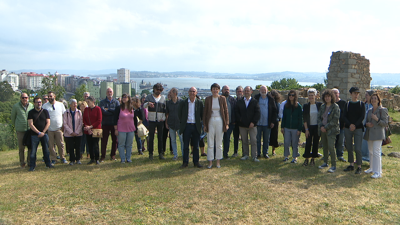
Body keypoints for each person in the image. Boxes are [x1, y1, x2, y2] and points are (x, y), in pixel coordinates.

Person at [203, 83, 229, 169]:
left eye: (216, 89)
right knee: (210, 142)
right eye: (213, 89)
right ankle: (210, 161)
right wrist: (205, 124)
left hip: (220, 121)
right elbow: (205, 112)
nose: (215, 90)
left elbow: (226, 111)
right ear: (211, 90)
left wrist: (227, 123)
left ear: (219, 90)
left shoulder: (222, 98)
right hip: (210, 121)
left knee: (219, 142)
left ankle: (218, 161)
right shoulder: (207, 99)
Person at [363, 93, 388, 178]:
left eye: (375, 98)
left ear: (378, 100)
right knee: (370, 151)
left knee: (376, 152)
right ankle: (372, 168)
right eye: (372, 98)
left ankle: (378, 172)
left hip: (378, 134)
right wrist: (367, 124)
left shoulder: (383, 110)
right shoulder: (369, 110)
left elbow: (385, 123)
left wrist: (377, 119)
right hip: (370, 134)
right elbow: (366, 122)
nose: (373, 100)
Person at [178, 87, 204, 168]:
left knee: (196, 146)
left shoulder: (199, 102)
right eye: (191, 91)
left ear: (196, 93)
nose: (192, 93)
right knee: (185, 146)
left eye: (194, 91)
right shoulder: (184, 102)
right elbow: (179, 113)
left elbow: (202, 114)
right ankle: (185, 162)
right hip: (187, 126)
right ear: (188, 92)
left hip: (196, 126)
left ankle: (196, 162)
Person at [343, 87, 365, 174]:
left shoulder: (361, 104)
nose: (356, 95)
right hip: (348, 128)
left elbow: (362, 116)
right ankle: (351, 164)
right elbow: (344, 116)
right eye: (354, 93)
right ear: (351, 94)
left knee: (358, 148)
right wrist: (350, 125)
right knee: (349, 147)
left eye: (357, 93)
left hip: (358, 128)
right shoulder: (347, 104)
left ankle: (359, 166)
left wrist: (355, 125)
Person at [317, 89, 340, 172]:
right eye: (325, 97)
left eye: (328, 96)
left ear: (332, 97)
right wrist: (321, 127)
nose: (327, 98)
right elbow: (319, 117)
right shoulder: (322, 106)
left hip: (331, 130)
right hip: (323, 130)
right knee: (325, 146)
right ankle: (325, 162)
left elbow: (335, 120)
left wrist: (326, 127)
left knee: (331, 147)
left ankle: (333, 165)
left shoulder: (335, 107)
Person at [236, 86, 261, 162]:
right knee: (244, 141)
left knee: (253, 141)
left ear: (251, 92)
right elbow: (237, 112)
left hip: (252, 126)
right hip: (242, 125)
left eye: (248, 90)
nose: (246, 92)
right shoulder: (239, 102)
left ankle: (254, 156)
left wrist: (253, 122)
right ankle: (245, 155)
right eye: (245, 90)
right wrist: (240, 120)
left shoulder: (254, 101)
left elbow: (258, 113)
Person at [27, 97, 53, 171]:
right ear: (34, 103)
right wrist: (38, 132)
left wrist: (43, 132)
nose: (39, 103)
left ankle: (48, 164)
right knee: (33, 151)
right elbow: (31, 124)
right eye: (37, 102)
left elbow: (48, 122)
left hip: (44, 134)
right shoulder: (31, 112)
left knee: (46, 150)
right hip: (34, 135)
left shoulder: (45, 111)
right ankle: (32, 166)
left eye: (40, 102)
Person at [43, 91, 67, 164]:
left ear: (54, 96)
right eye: (48, 96)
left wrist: (64, 125)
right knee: (51, 145)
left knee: (61, 144)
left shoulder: (60, 105)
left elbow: (64, 115)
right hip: (49, 129)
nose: (50, 97)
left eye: (51, 96)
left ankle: (62, 157)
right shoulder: (45, 106)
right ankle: (53, 158)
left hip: (59, 128)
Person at [143, 83, 167, 160]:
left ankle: (160, 153)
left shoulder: (163, 98)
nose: (158, 91)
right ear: (154, 89)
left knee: (160, 137)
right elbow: (144, 106)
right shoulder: (149, 97)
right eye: (157, 90)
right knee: (151, 137)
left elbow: (164, 110)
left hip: (160, 120)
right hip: (152, 120)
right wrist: (148, 104)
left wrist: (163, 118)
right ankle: (151, 153)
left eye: (160, 90)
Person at [11, 93, 34, 168]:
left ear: (28, 98)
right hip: (20, 130)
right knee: (21, 148)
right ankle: (22, 162)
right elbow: (13, 118)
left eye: (26, 97)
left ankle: (29, 162)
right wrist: (16, 126)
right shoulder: (16, 106)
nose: (25, 99)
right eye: (23, 97)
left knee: (30, 147)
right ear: (20, 98)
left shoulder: (31, 105)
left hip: (29, 130)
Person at [254, 85, 277, 159]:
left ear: (267, 91)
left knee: (266, 139)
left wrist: (273, 122)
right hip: (257, 123)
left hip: (267, 123)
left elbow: (274, 111)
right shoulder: (256, 98)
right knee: (257, 139)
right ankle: (258, 153)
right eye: (262, 90)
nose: (263, 91)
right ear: (259, 91)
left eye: (265, 90)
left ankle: (265, 153)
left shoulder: (271, 99)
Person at [281, 90, 303, 163]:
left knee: (295, 143)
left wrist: (299, 129)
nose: (291, 96)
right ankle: (286, 156)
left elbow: (301, 118)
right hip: (287, 127)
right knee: (286, 142)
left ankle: (295, 157)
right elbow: (284, 117)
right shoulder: (286, 105)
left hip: (295, 128)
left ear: (295, 96)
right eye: (290, 95)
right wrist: (282, 127)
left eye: (293, 95)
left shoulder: (298, 106)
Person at [302, 88, 322, 166]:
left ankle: (313, 159)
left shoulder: (319, 105)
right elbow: (305, 119)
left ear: (315, 96)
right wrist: (306, 129)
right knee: (308, 143)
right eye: (309, 95)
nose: (311, 97)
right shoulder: (306, 106)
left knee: (316, 143)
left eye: (312, 95)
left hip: (317, 127)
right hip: (309, 127)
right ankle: (306, 159)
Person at [114, 93, 136, 163]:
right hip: (121, 129)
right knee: (121, 144)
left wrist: (136, 129)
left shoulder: (132, 108)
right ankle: (123, 159)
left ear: (129, 98)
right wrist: (116, 129)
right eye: (123, 97)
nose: (124, 98)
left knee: (129, 144)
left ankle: (128, 158)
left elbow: (134, 119)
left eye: (125, 97)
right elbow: (115, 119)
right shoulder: (118, 108)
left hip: (131, 129)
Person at [99, 88, 120, 161]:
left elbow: (117, 112)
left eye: (110, 91)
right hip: (105, 124)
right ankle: (103, 156)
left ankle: (113, 155)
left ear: (113, 93)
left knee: (115, 140)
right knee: (104, 141)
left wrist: (108, 109)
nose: (109, 93)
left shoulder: (116, 102)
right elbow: (103, 112)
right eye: (108, 91)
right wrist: (112, 112)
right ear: (106, 93)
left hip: (114, 124)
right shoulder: (102, 102)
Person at [63, 99, 83, 165]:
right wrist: (71, 132)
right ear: (70, 104)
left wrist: (77, 132)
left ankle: (78, 159)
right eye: (74, 103)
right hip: (69, 134)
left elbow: (81, 123)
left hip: (78, 133)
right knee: (71, 147)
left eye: (76, 103)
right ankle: (72, 160)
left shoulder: (79, 112)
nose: (75, 105)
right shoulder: (66, 112)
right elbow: (65, 123)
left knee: (78, 147)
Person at [83, 96, 102, 165]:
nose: (87, 103)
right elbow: (84, 119)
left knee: (95, 145)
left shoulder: (98, 109)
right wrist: (87, 127)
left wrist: (91, 126)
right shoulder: (86, 109)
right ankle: (92, 158)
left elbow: (99, 120)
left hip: (96, 129)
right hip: (87, 130)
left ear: (93, 102)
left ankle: (97, 159)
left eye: (89, 102)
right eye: (87, 102)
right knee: (89, 145)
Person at [166, 88, 183, 160]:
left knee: (182, 140)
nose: (169, 94)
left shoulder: (181, 102)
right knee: (173, 140)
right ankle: (175, 154)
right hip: (171, 124)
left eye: (171, 93)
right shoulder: (168, 103)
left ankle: (183, 154)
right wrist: (166, 123)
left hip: (180, 124)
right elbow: (167, 114)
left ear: (175, 94)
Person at [332, 88, 347, 162]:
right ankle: (331, 155)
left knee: (340, 142)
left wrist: (345, 124)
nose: (335, 94)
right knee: (331, 141)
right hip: (332, 127)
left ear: (339, 94)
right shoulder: (330, 103)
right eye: (333, 93)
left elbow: (346, 114)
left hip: (341, 126)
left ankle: (340, 155)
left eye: (336, 93)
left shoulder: (344, 103)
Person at [221, 85, 236, 159]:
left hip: (230, 123)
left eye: (228, 90)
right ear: (222, 90)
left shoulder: (232, 100)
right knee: (219, 140)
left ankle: (225, 154)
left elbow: (235, 111)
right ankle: (218, 154)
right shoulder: (218, 99)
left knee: (227, 139)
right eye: (225, 89)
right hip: (219, 123)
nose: (227, 91)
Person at [361, 90, 374, 162]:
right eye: (365, 95)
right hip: (363, 127)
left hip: (372, 128)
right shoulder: (363, 105)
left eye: (367, 95)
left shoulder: (374, 106)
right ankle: (362, 157)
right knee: (363, 143)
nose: (366, 96)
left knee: (370, 144)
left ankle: (370, 158)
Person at [231, 86, 243, 157]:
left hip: (243, 123)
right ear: (236, 92)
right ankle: (235, 152)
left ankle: (244, 152)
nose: (239, 93)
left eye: (241, 91)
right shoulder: (233, 101)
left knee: (244, 139)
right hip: (235, 123)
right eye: (238, 91)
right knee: (236, 138)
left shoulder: (245, 101)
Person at [269, 90, 281, 156]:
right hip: (268, 121)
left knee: (274, 136)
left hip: (275, 121)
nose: (272, 97)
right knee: (267, 136)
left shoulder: (277, 103)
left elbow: (278, 113)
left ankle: (273, 150)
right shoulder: (268, 102)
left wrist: (275, 120)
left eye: (273, 95)